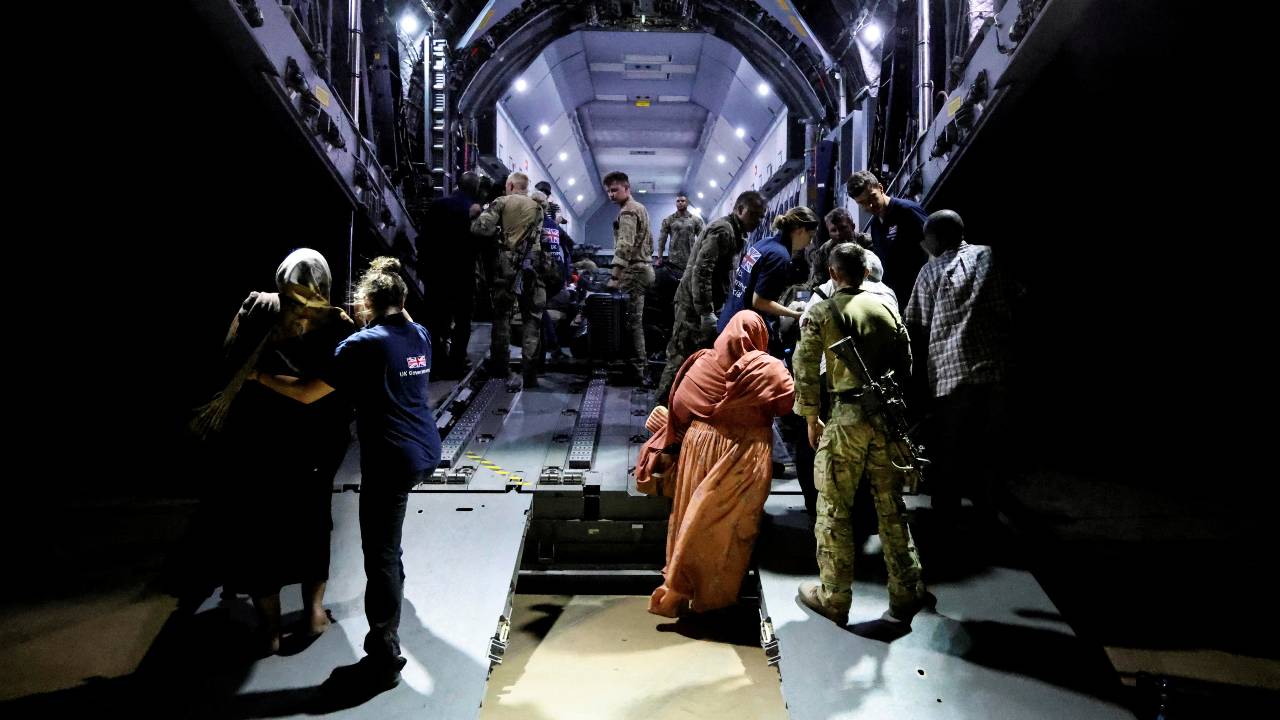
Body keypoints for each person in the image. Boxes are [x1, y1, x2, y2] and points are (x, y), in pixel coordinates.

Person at [256, 257, 441, 690]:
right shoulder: (419, 334)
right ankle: (392, 606)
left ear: (367, 300)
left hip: (391, 458)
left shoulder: (361, 344)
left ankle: (384, 649)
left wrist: (259, 375)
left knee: (379, 557)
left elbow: (305, 392)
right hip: (425, 450)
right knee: (388, 549)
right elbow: (402, 313)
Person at [191, 248, 355, 655]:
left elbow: (231, 357)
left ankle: (275, 629)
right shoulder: (334, 324)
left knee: (264, 530)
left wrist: (260, 375)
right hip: (302, 444)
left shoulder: (258, 308)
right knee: (308, 524)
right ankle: (310, 616)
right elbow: (321, 389)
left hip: (268, 441)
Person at [793, 242, 931, 628]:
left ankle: (834, 597)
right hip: (885, 419)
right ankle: (906, 591)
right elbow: (905, 360)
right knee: (891, 507)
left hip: (845, 419)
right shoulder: (885, 306)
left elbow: (804, 368)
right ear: (867, 272)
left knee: (835, 508)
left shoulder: (820, 311)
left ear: (833, 274)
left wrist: (810, 417)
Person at [636, 311, 794, 617]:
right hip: (744, 454)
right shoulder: (768, 369)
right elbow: (786, 403)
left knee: (690, 516)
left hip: (699, 447)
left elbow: (679, 407)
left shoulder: (702, 362)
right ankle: (714, 598)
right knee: (730, 528)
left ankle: (681, 588)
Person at [904, 209, 1014, 529]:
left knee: (950, 451)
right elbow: (1007, 303)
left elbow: (916, 324)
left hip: (951, 378)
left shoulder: (929, 272)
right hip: (994, 372)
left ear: (937, 237)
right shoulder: (988, 256)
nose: (924, 242)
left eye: (927, 236)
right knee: (989, 449)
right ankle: (987, 515)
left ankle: (947, 517)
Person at [653, 191, 766, 406]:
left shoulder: (735, 231)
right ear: (740, 210)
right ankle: (659, 411)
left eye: (761, 217)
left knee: (694, 360)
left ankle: (679, 412)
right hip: (692, 305)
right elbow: (701, 271)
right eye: (754, 215)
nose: (758, 221)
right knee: (679, 358)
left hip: (703, 303)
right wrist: (705, 311)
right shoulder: (723, 231)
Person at [471, 172, 545, 388]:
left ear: (511, 185)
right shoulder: (538, 207)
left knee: (502, 317)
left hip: (508, 267)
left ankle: (500, 368)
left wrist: (477, 214)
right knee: (533, 320)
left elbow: (481, 229)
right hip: (534, 267)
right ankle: (530, 374)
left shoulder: (502, 202)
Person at [717, 206, 819, 341]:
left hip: (729, 320)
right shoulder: (780, 255)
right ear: (800, 231)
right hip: (741, 332)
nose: (810, 242)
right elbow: (759, 301)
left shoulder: (764, 243)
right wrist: (794, 314)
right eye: (810, 236)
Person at [846, 170, 929, 304]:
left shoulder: (907, 211)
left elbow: (933, 248)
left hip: (921, 295)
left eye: (872, 197)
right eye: (862, 203)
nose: (870, 205)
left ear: (880, 188)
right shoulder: (875, 226)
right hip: (896, 299)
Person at [603, 171, 655, 384]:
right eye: (608, 191)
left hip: (633, 272)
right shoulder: (640, 208)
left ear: (627, 188)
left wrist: (615, 276)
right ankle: (638, 366)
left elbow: (624, 245)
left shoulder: (627, 212)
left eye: (615, 190)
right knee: (635, 321)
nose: (611, 194)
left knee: (632, 323)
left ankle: (638, 371)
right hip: (644, 268)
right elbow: (650, 242)